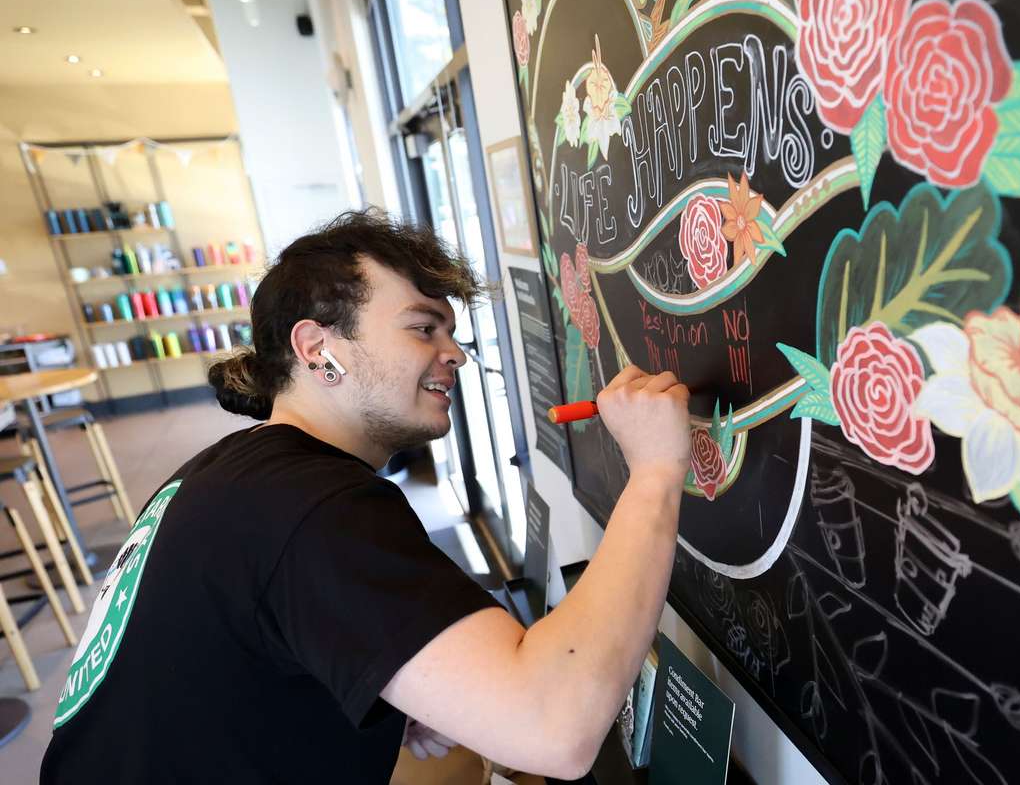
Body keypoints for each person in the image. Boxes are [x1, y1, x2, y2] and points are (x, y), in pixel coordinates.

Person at [40, 211, 691, 783]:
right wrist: (657, 472)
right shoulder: (311, 506)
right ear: (318, 350)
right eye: (423, 328)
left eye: (450, 331)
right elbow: (555, 727)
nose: (454, 354)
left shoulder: (234, 474)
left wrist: (366, 691)